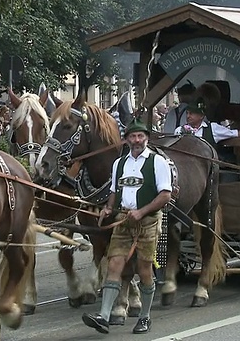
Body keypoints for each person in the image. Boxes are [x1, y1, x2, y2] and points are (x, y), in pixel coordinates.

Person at [81, 119, 172, 335]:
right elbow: (114, 190)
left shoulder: (157, 162)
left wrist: (141, 212)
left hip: (148, 222)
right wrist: (108, 208)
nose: (136, 140)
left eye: (140, 136)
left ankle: (145, 317)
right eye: (132, 137)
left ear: (146, 139)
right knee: (114, 265)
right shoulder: (119, 163)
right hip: (123, 220)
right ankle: (103, 317)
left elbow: (165, 195)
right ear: (127, 139)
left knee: (144, 269)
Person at [173, 98, 240, 147]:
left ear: (202, 116)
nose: (188, 116)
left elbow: (234, 133)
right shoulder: (179, 131)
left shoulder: (213, 129)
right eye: (187, 113)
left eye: (192, 113)